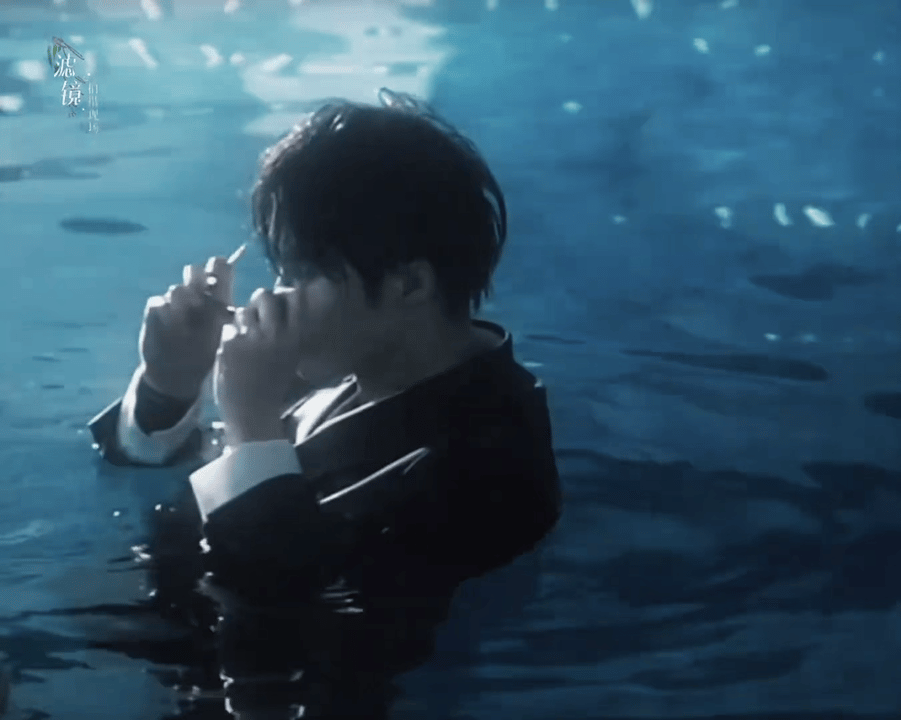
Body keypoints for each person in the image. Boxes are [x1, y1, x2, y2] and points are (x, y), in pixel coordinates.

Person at [87, 89, 561, 717]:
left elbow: (282, 617)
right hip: (154, 638)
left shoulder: (488, 462)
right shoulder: (347, 363)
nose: (273, 299)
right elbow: (162, 484)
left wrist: (252, 424)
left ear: (408, 283)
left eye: (299, 274)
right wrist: (169, 385)